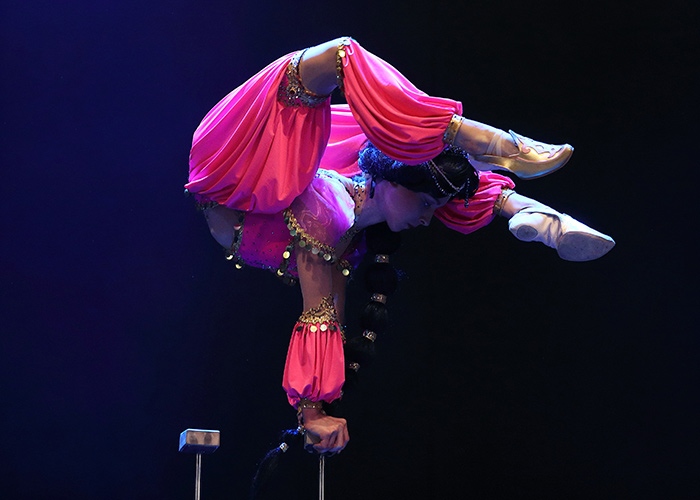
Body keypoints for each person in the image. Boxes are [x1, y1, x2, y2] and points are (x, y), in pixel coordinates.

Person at [185, 37, 615, 457]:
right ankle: (481, 139)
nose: (427, 219)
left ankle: (536, 216)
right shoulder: (326, 211)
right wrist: (311, 411)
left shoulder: (349, 230)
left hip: (257, 182)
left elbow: (331, 317)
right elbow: (317, 314)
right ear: (386, 181)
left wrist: (318, 411)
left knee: (441, 177)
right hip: (232, 163)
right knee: (342, 55)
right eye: (425, 204)